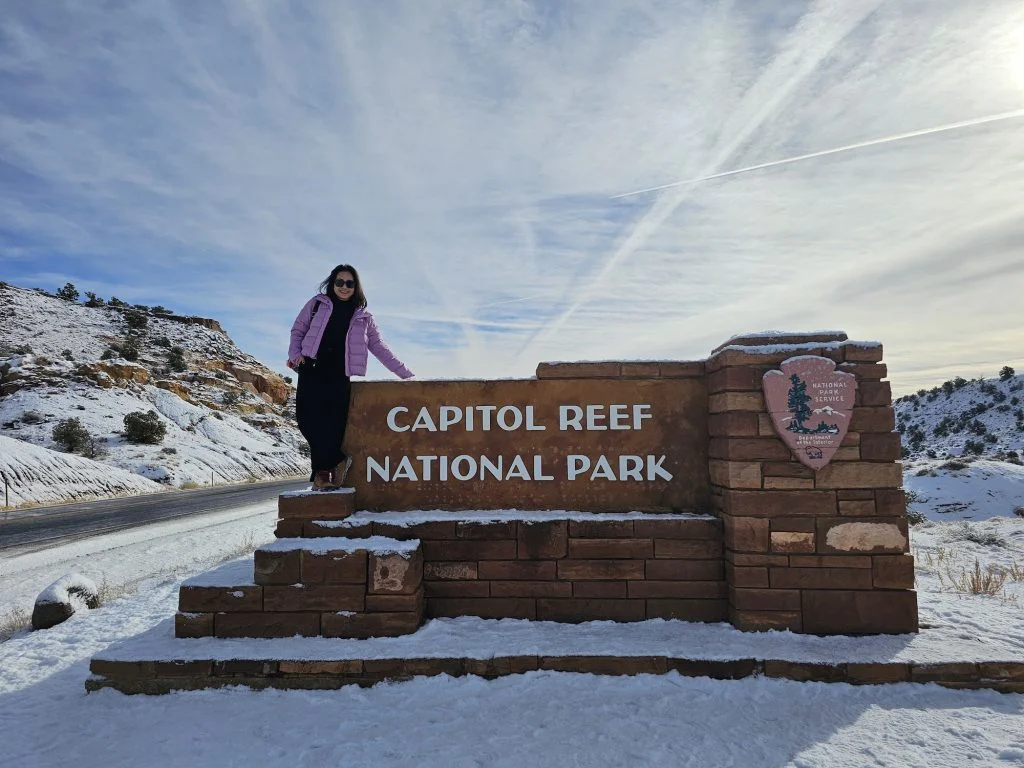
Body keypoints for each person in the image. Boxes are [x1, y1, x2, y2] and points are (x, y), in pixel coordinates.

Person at [288, 264, 413, 490]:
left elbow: (379, 347)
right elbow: (298, 330)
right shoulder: (317, 304)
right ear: (332, 284)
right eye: (339, 282)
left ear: (356, 287)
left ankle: (322, 476)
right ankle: (337, 460)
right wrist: (295, 355)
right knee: (307, 421)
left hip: (339, 374)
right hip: (311, 368)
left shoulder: (363, 317)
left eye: (349, 283)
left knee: (333, 425)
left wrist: (404, 373)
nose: (344, 287)